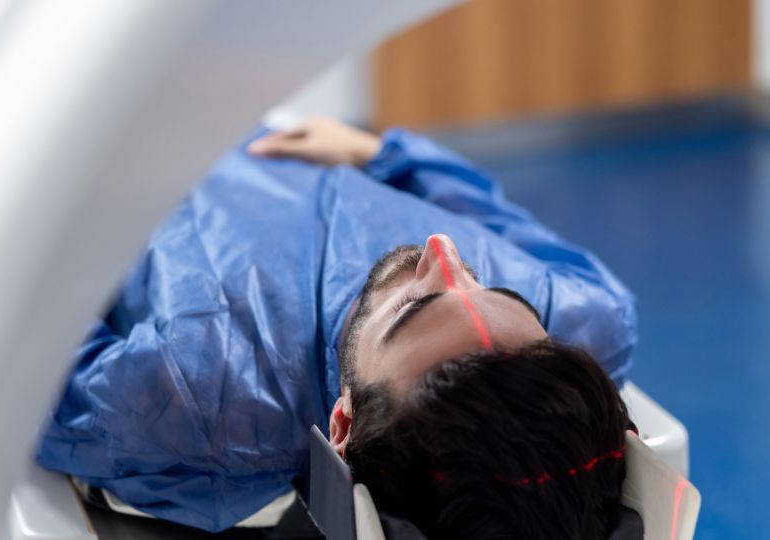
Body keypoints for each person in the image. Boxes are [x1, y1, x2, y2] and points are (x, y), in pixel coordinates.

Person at [36, 117, 639, 536]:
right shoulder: (589, 317)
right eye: (494, 289)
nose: (443, 252)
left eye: (410, 309)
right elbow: (485, 211)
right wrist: (380, 154)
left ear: (344, 422)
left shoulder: (194, 400)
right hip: (250, 125)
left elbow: (23, 355)